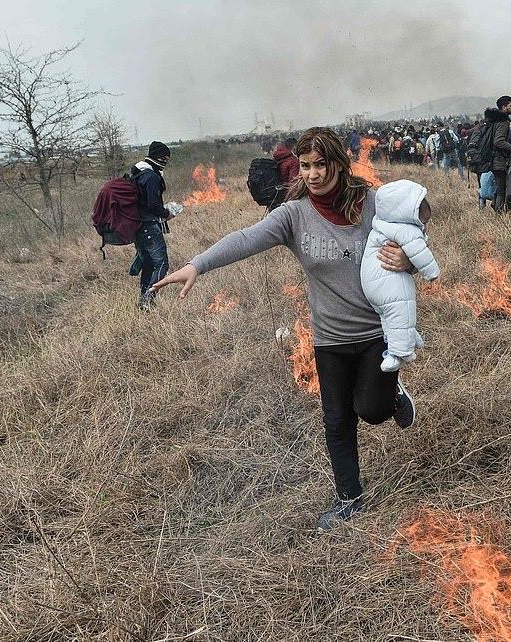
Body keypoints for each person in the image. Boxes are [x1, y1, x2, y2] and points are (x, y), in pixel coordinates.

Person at [149, 127, 417, 531]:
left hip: (376, 332)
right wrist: (196, 265)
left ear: (338, 164)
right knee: (336, 420)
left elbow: (417, 222)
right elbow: (245, 238)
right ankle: (348, 498)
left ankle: (391, 395)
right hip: (329, 337)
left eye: (320, 164)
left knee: (372, 411)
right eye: (305, 166)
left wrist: (407, 259)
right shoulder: (294, 215)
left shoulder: (372, 203)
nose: (312, 174)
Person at [360, 180, 439, 372]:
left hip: (370, 286)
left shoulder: (380, 223)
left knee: (388, 318)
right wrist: (432, 273)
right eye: (423, 221)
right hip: (389, 283)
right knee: (399, 311)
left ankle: (407, 336)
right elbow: (420, 253)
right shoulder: (406, 230)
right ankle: (399, 352)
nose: (424, 226)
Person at [131, 141, 175, 309]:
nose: (165, 162)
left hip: (138, 226)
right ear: (158, 156)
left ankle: (143, 300)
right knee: (161, 264)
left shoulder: (140, 173)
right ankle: (148, 300)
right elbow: (153, 205)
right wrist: (166, 213)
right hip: (148, 226)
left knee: (149, 264)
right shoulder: (151, 177)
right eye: (165, 158)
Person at [485, 95, 511, 212]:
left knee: (500, 186)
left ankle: (496, 205)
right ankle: (499, 214)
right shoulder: (503, 121)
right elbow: (498, 141)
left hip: (492, 158)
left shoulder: (493, 120)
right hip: (498, 159)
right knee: (501, 189)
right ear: (504, 107)